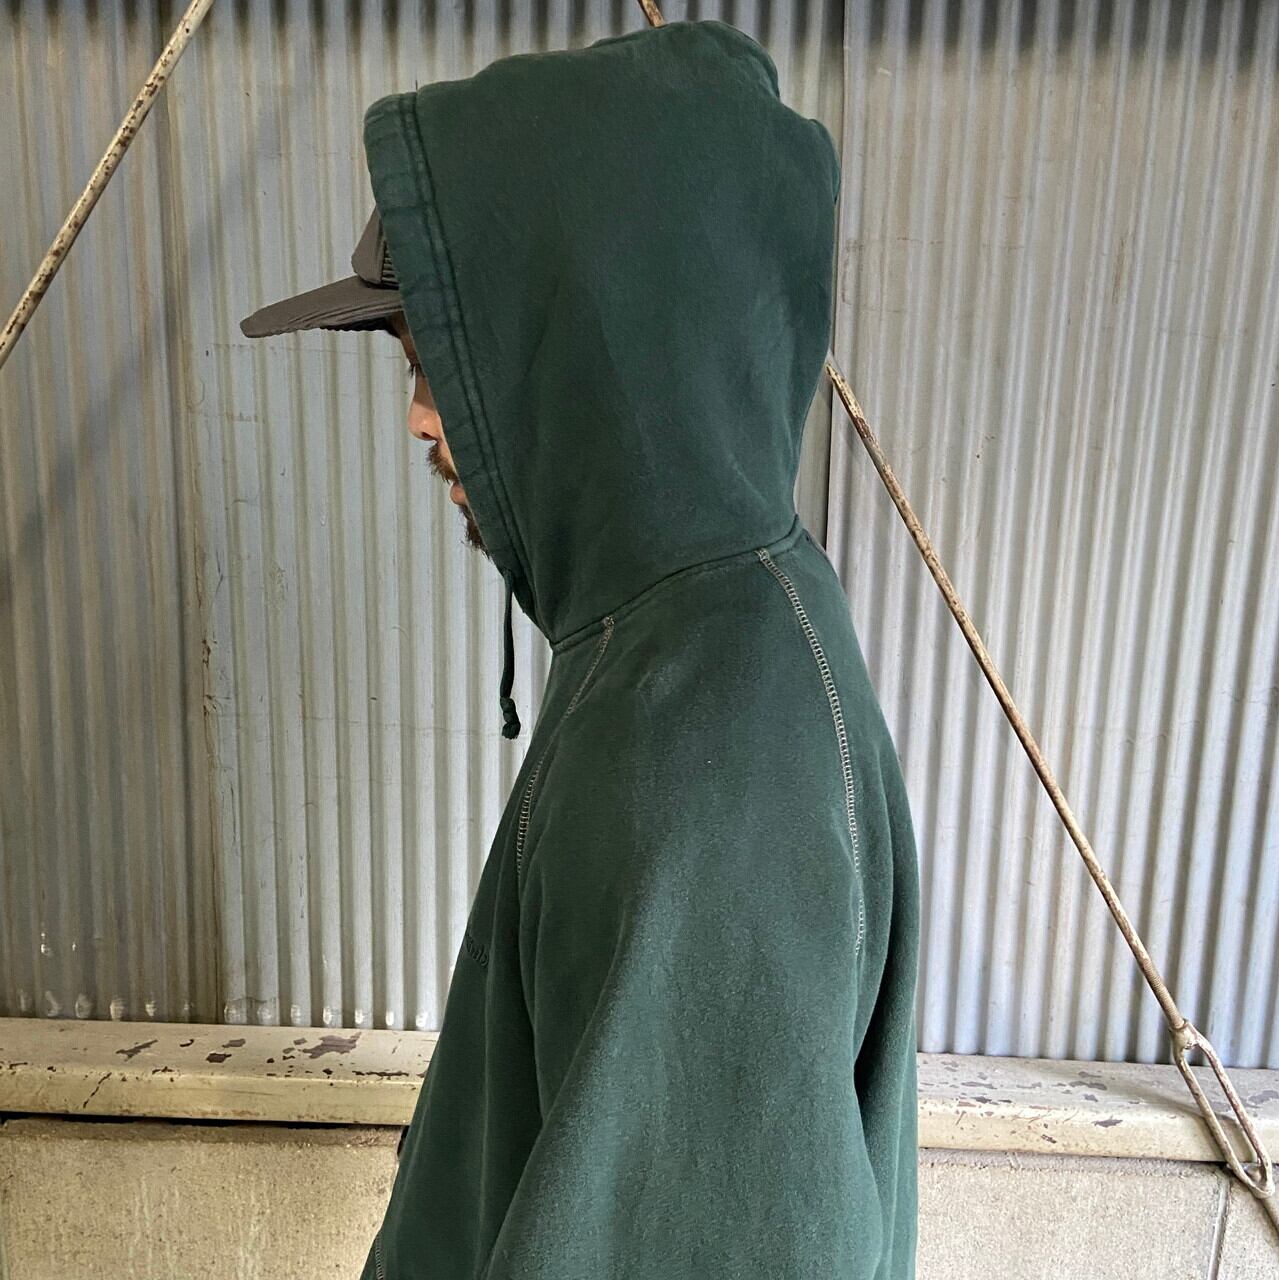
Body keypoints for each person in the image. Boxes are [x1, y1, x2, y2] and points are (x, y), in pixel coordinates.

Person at [240, 17, 920, 1279]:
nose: (421, 419)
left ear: (600, 348)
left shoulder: (698, 768)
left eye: (447, 363)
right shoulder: (701, 622)